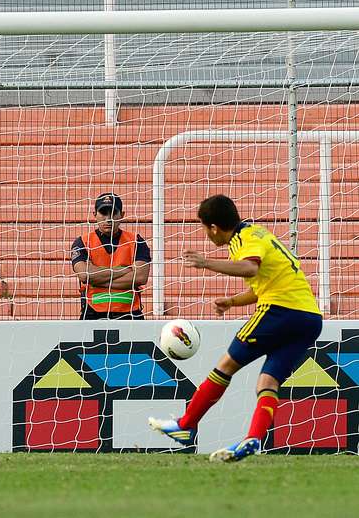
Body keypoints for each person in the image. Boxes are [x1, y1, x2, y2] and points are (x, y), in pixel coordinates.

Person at [149, 194, 323, 462]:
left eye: (205, 229)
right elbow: (264, 284)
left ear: (214, 228)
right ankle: (253, 438)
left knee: (226, 365)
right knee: (268, 382)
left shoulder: (244, 239)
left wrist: (206, 263)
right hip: (309, 318)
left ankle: (185, 425)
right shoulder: (259, 234)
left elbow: (250, 269)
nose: (207, 235)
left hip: (281, 311)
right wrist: (231, 301)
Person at [70, 192, 151, 319]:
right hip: (93, 313)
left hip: (130, 314)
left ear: (122, 215)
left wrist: (98, 281)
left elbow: (140, 277)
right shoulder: (83, 242)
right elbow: (85, 275)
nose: (108, 219)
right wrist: (125, 270)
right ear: (95, 215)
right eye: (103, 213)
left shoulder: (136, 241)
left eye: (113, 213)